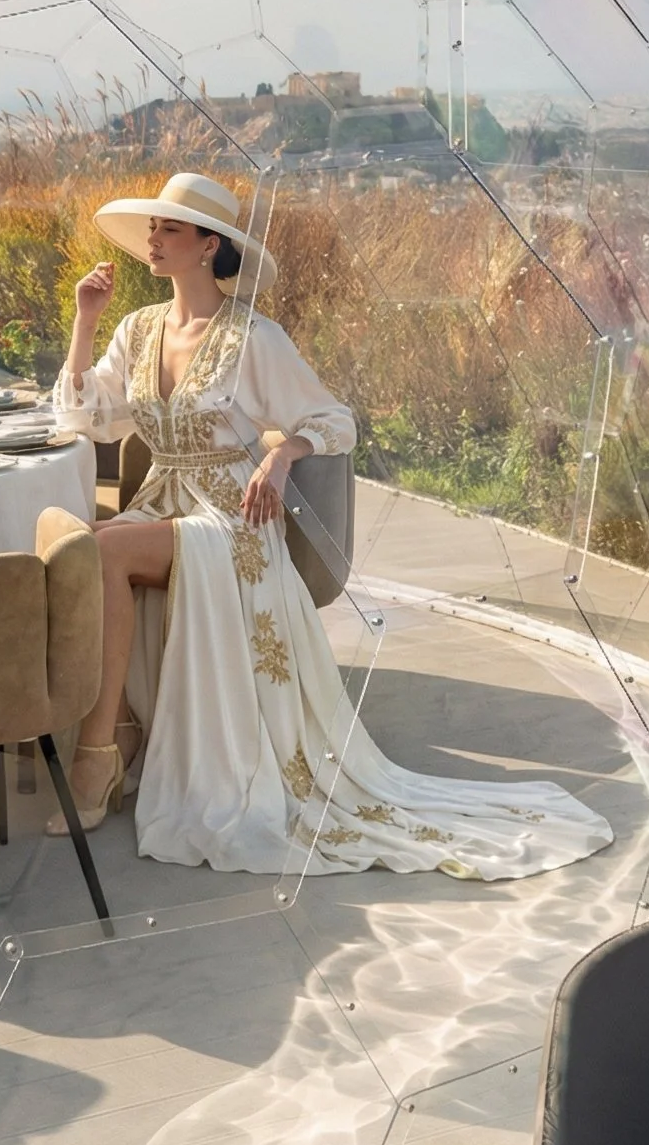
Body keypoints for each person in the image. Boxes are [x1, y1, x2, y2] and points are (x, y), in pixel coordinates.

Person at [53, 171, 613, 879]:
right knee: (86, 546)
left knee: (102, 553)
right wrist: (86, 318)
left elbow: (334, 421)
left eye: (169, 229)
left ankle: (96, 754)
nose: (153, 241)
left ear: (208, 246)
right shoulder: (137, 330)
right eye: (153, 229)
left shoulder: (254, 337)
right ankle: (120, 736)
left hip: (230, 520)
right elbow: (86, 415)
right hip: (165, 501)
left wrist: (285, 450)